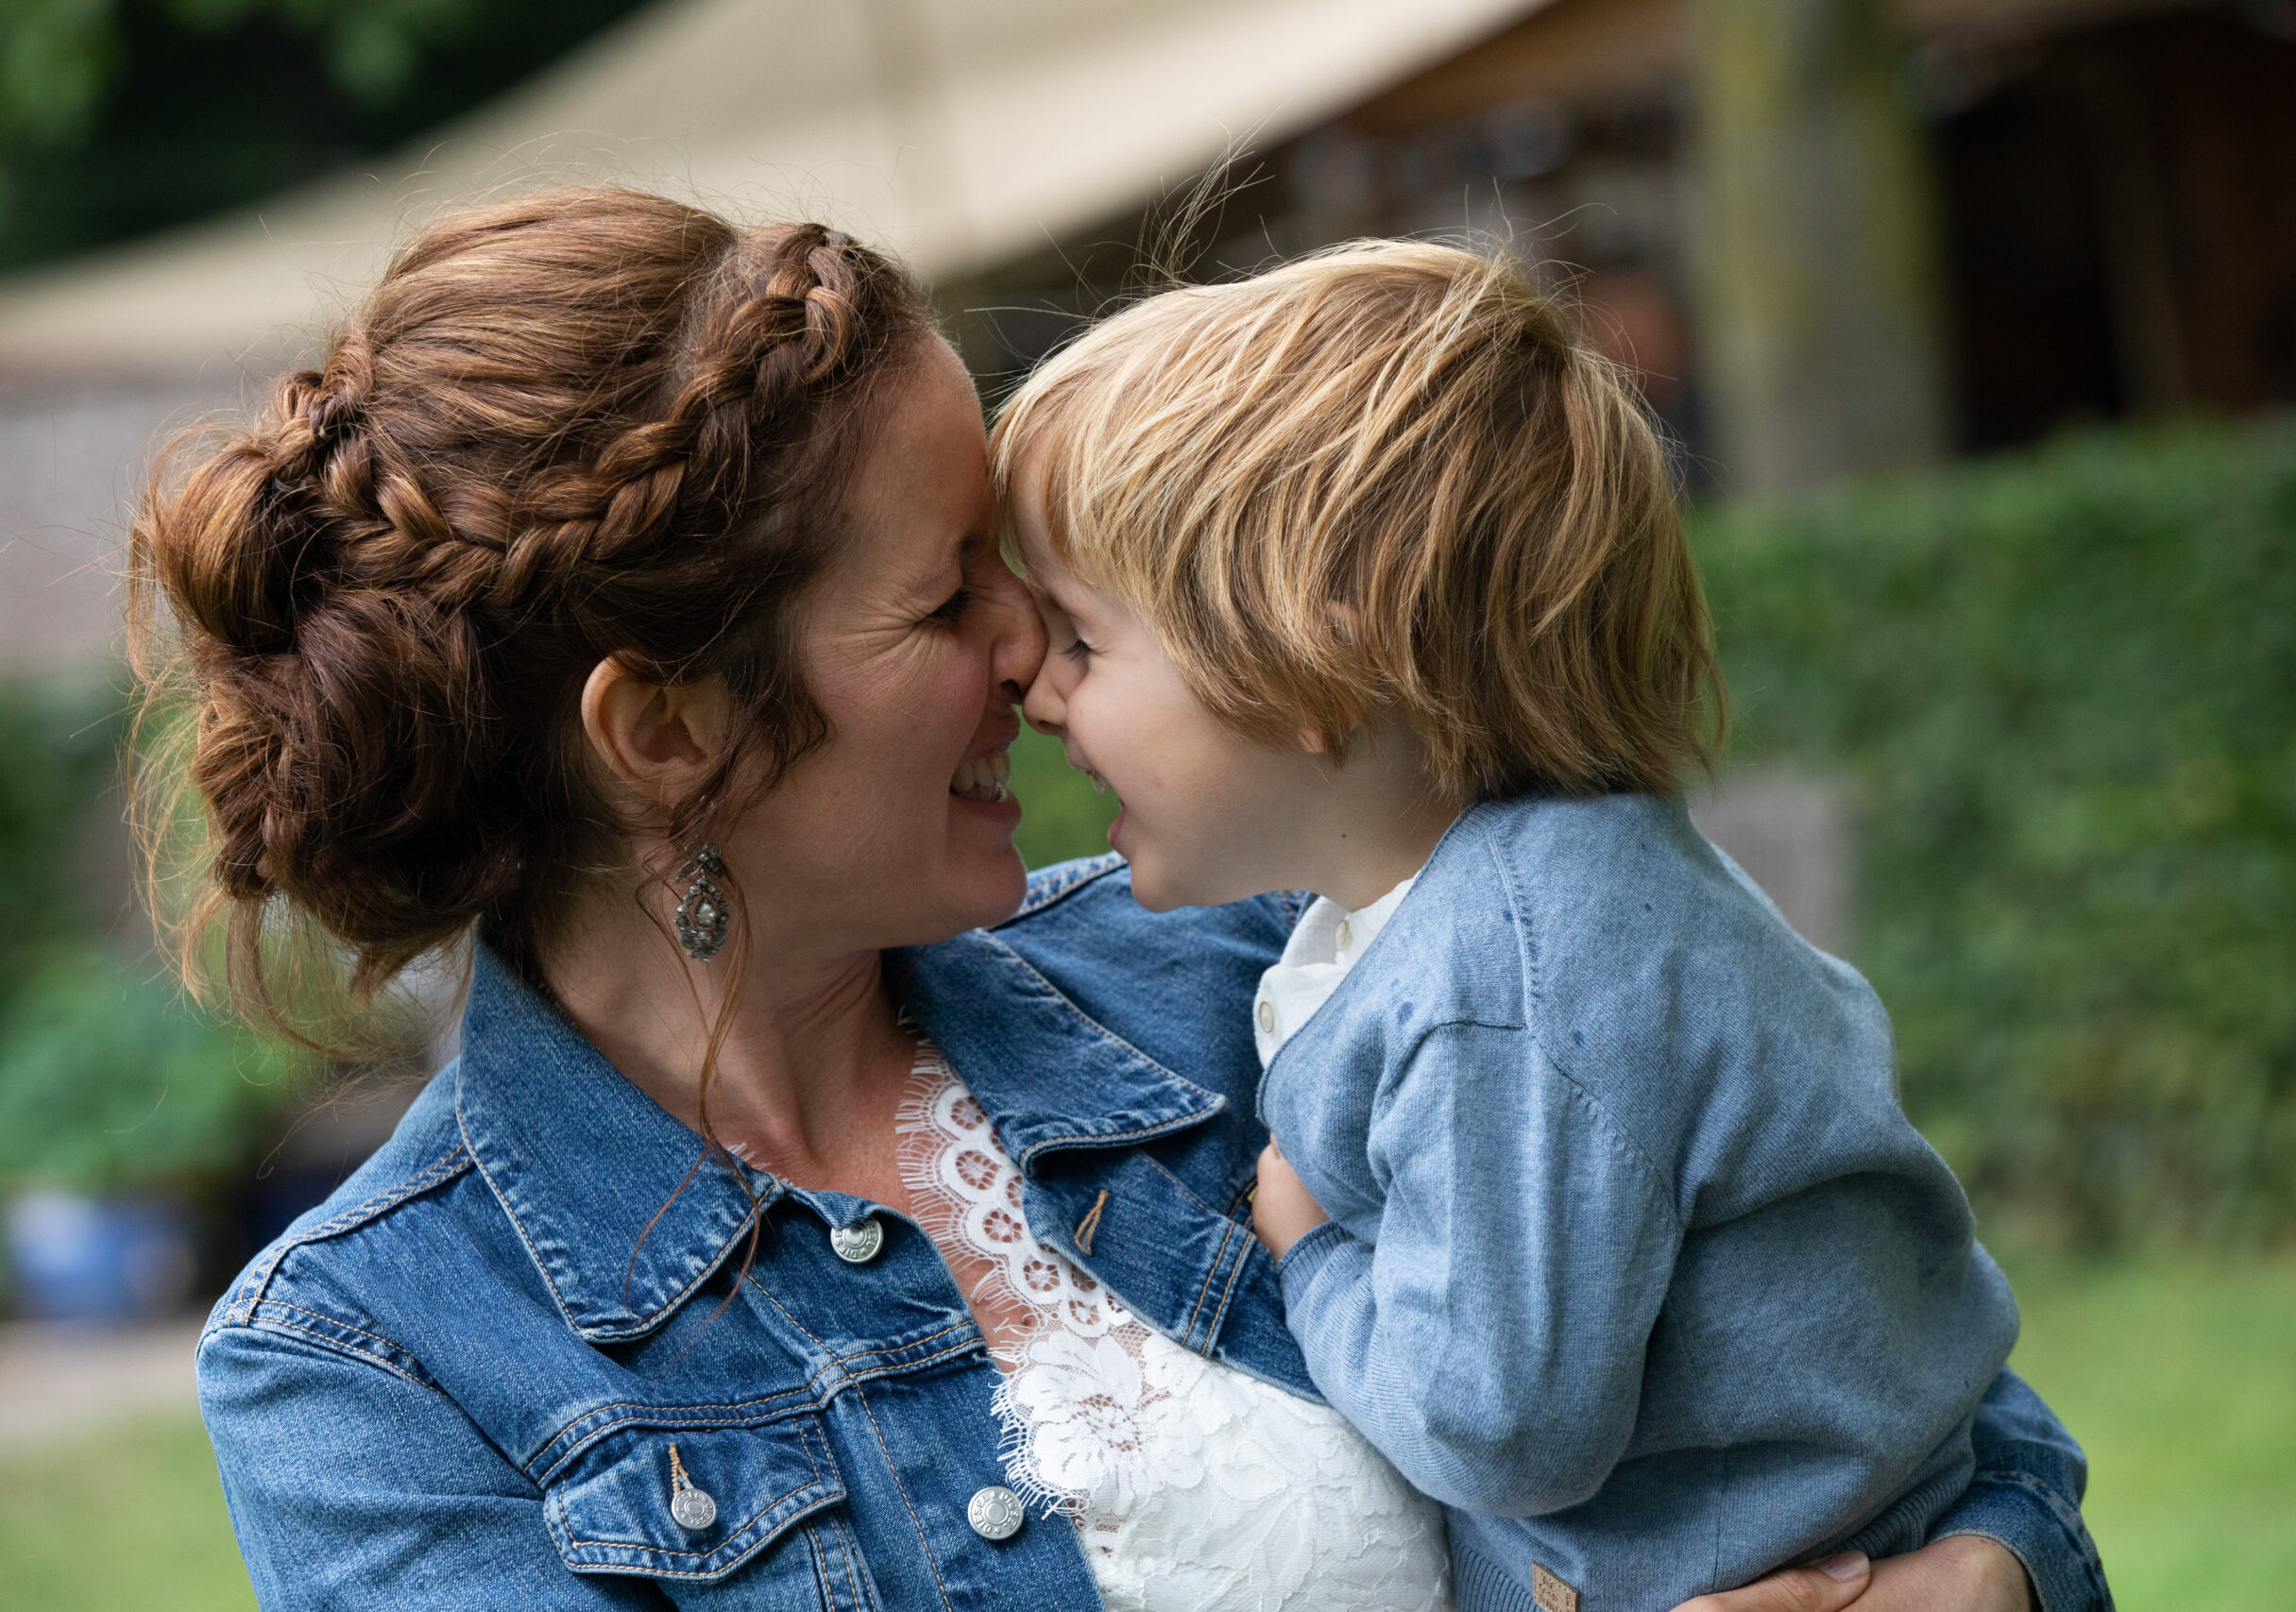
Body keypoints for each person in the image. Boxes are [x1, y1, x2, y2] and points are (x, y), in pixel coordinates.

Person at [131, 189, 2107, 1612]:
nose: (1032, 648)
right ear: (662, 734)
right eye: (947, 594)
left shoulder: (1270, 958)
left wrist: (1977, 1580)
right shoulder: (373, 1364)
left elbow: (1905, 1386)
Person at [996, 241, 2057, 1612]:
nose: (1037, 696)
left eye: (1084, 641)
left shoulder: (1513, 979)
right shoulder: (1486, 912)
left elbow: (1503, 1428)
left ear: (1308, 653)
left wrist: (1310, 1251)